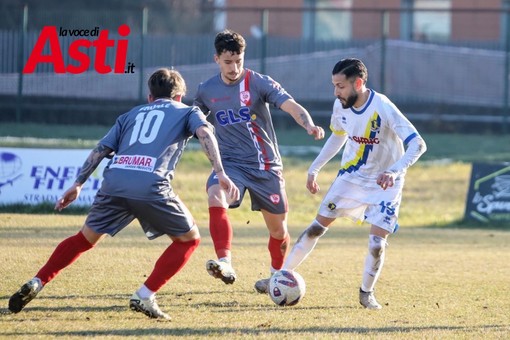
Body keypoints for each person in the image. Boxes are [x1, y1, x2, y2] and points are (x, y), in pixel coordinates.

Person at [8, 68, 239, 320]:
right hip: (150, 184)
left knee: (84, 239)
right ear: (180, 96)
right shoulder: (188, 111)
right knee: (189, 240)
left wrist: (78, 183)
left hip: (114, 181)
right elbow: (205, 133)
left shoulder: (130, 114)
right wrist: (221, 171)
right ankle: (145, 294)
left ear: (150, 97)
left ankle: (38, 281)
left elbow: (101, 148)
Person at [281, 58, 427, 309]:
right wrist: (314, 169)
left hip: (385, 183)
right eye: (334, 86)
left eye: (340, 86)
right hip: (352, 176)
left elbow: (418, 144)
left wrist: (393, 172)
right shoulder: (340, 105)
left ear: (358, 83)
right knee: (317, 227)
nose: (336, 92)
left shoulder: (383, 107)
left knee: (377, 243)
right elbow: (338, 137)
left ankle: (366, 293)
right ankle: (281, 276)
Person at [193, 29, 325, 292]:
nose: (234, 68)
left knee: (279, 232)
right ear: (216, 58)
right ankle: (224, 262)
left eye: (238, 61)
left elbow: (291, 105)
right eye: (228, 62)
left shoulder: (258, 82)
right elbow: (195, 122)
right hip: (230, 164)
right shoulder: (206, 90)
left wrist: (309, 124)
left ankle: (275, 276)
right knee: (215, 194)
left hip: (266, 166)